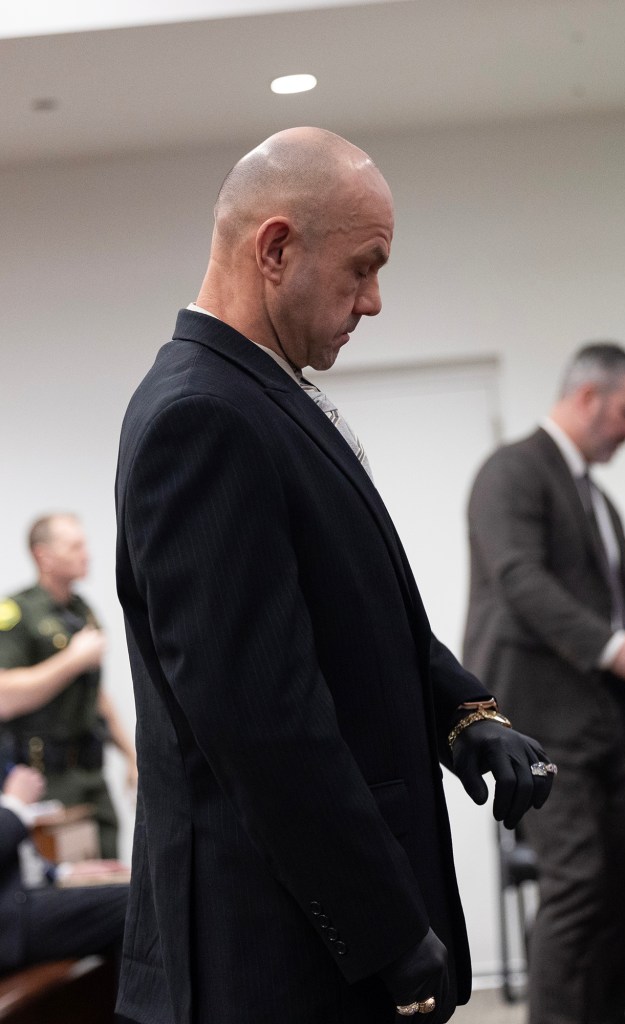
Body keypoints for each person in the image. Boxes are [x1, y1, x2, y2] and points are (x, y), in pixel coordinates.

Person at [114, 126, 554, 1024]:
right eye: (364, 267)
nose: (376, 300)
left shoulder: (260, 395)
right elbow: (259, 719)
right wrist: (380, 926)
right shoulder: (202, 416)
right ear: (275, 249)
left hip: (318, 931)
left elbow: (352, 611)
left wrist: (464, 714)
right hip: (283, 948)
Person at [463, 342, 625, 1024]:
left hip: (605, 728)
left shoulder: (598, 502)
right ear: (587, 397)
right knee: (578, 885)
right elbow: (520, 581)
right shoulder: (513, 471)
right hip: (543, 726)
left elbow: (618, 608)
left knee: (620, 888)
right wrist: (614, 649)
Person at [0, 514, 137, 859]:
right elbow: (5, 696)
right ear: (43, 555)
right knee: (68, 887)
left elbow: (94, 694)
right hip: (49, 780)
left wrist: (132, 755)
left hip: (91, 771)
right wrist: (73, 660)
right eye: (74, 546)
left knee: (110, 877)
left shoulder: (81, 611)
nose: (86, 554)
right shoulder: (17, 613)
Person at [0, 763, 128, 977]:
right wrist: (15, 803)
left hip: (17, 901)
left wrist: (62, 873)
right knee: (138, 903)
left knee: (131, 887)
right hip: (10, 920)